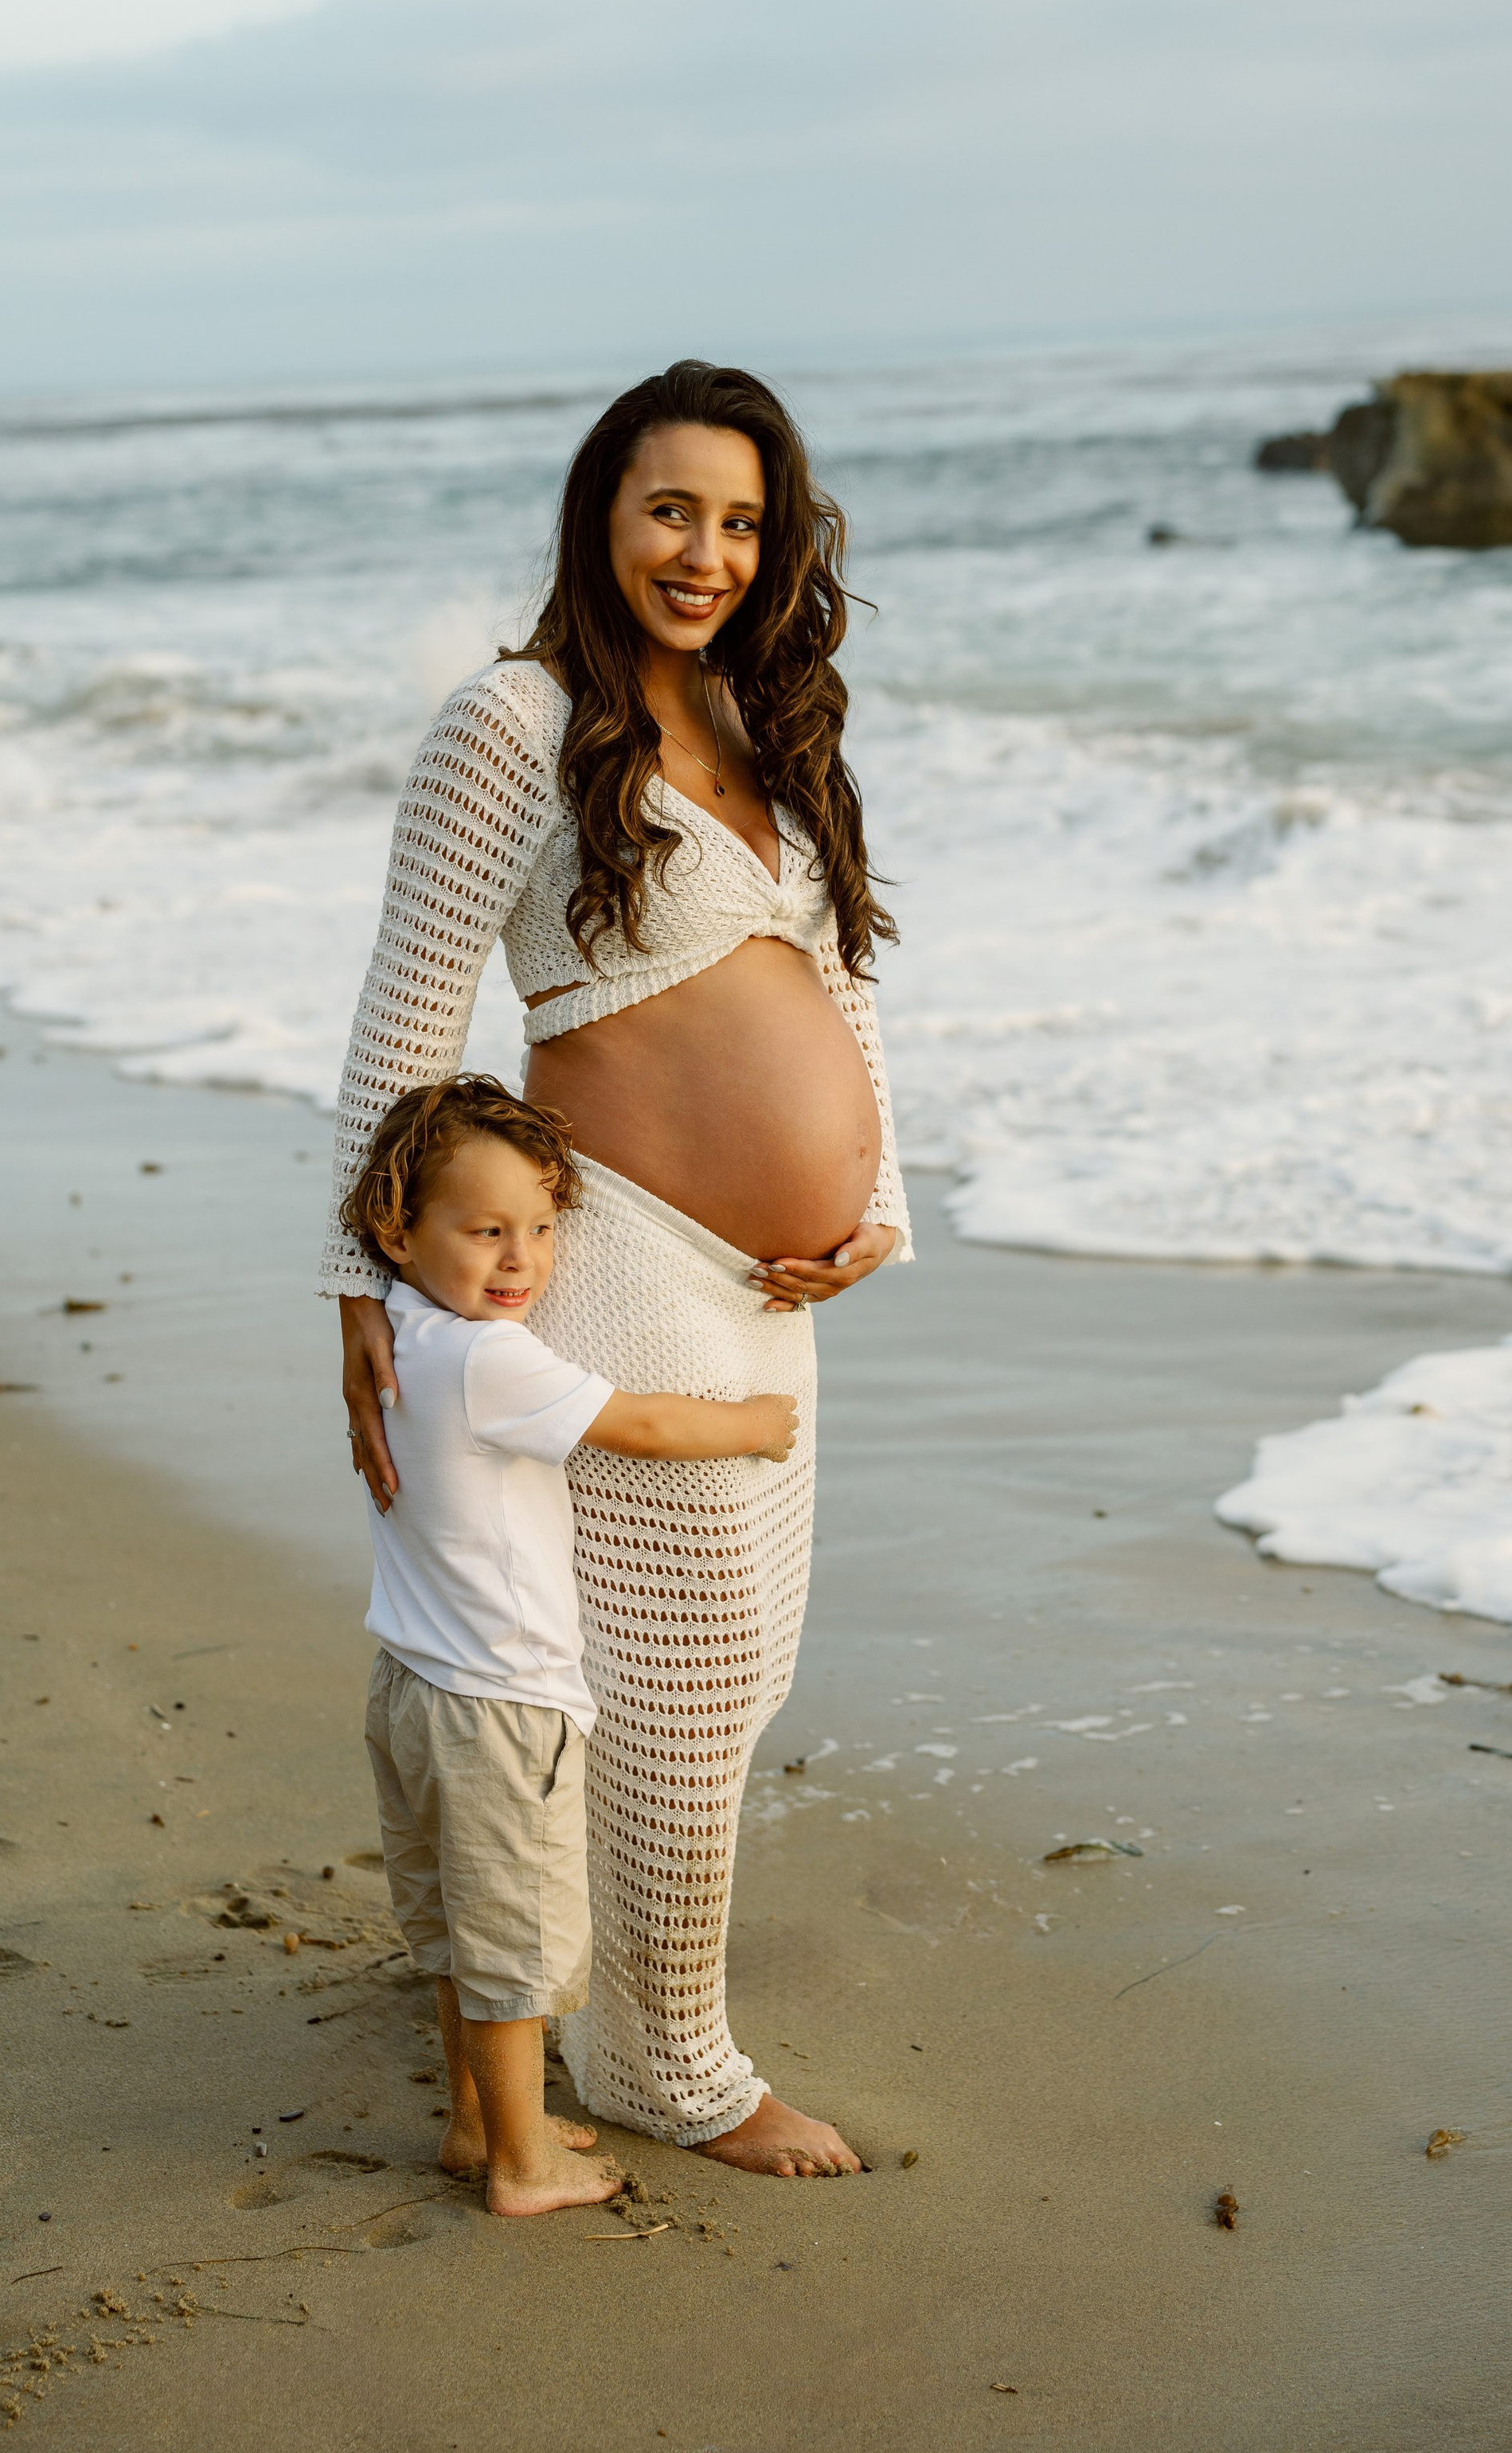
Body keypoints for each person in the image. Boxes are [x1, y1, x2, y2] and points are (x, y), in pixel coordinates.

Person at [326, 359, 910, 2178]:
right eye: (671, 511)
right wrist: (356, 1291)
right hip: (624, 1242)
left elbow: (846, 999)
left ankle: (557, 1979)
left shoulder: (772, 724)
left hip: (776, 1282)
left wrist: (880, 1199)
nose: (706, 552)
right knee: (691, 1657)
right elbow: (407, 1022)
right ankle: (663, 2059)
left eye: (742, 522)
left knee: (737, 1665)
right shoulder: (512, 722)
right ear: (600, 512)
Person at [342, 1071, 799, 2216]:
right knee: (512, 1947)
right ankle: (521, 2166)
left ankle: (473, 2123)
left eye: (542, 1229)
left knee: (455, 1930)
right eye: (486, 1231)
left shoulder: (397, 1333)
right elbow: (638, 1424)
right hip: (502, 1708)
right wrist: (752, 1424)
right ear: (397, 1231)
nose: (522, 1261)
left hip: (409, 1685)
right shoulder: (487, 1360)